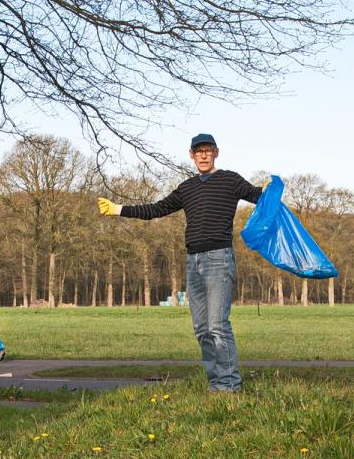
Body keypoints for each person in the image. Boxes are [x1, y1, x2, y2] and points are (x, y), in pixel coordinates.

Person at [98, 133, 262, 392]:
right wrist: (119, 209)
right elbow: (156, 209)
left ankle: (230, 385)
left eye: (208, 151)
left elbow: (257, 196)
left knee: (218, 325)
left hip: (218, 258)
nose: (204, 155)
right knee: (201, 329)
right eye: (199, 152)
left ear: (216, 153)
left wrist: (273, 191)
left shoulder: (229, 179)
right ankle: (216, 382)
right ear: (192, 155)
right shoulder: (187, 188)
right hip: (193, 261)